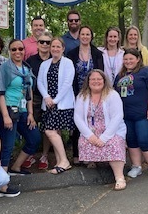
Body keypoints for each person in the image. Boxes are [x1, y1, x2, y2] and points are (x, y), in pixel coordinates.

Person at [74, 70, 128, 190]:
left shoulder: (112, 95)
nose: (96, 81)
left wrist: (104, 137)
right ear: (88, 82)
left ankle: (119, 177)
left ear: (104, 81)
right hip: (91, 131)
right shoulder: (82, 96)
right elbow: (77, 117)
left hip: (111, 130)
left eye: (99, 79)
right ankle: (95, 161)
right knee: (84, 142)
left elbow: (117, 116)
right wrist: (90, 136)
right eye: (93, 79)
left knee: (113, 144)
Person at [0, 39, 41, 174]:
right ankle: (2, 180)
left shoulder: (27, 69)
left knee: (34, 138)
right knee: (7, 145)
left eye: (20, 49)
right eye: (14, 49)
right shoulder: (4, 69)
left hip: (23, 110)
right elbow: (0, 93)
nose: (17, 52)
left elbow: (29, 92)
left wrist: (30, 113)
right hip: (8, 110)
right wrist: (5, 116)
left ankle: (16, 166)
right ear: (9, 51)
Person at [114, 48, 148, 179]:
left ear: (138, 59)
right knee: (132, 141)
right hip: (126, 116)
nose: (128, 61)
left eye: (131, 59)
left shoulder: (146, 72)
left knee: (145, 140)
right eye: (126, 59)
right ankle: (136, 166)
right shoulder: (120, 75)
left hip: (144, 115)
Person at [66, 25, 104, 166]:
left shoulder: (97, 53)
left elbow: (101, 74)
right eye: (83, 34)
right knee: (79, 122)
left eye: (88, 34)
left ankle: (94, 156)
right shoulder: (71, 53)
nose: (85, 36)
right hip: (77, 93)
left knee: (94, 122)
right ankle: (78, 154)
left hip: (94, 92)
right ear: (79, 36)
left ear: (91, 36)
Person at [37, 37, 75, 174]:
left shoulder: (68, 63)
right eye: (53, 46)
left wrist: (55, 100)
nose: (55, 49)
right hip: (47, 103)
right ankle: (60, 162)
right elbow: (40, 82)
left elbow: (67, 83)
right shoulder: (45, 64)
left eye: (58, 47)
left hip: (61, 104)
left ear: (63, 48)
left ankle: (64, 160)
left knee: (50, 131)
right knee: (55, 132)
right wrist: (47, 97)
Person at [23, 30, 53, 170]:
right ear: (37, 44)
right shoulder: (30, 61)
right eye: (42, 42)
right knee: (31, 126)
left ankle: (45, 155)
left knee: (48, 127)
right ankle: (30, 154)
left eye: (48, 42)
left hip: (50, 98)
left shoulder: (55, 59)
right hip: (34, 97)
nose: (45, 44)